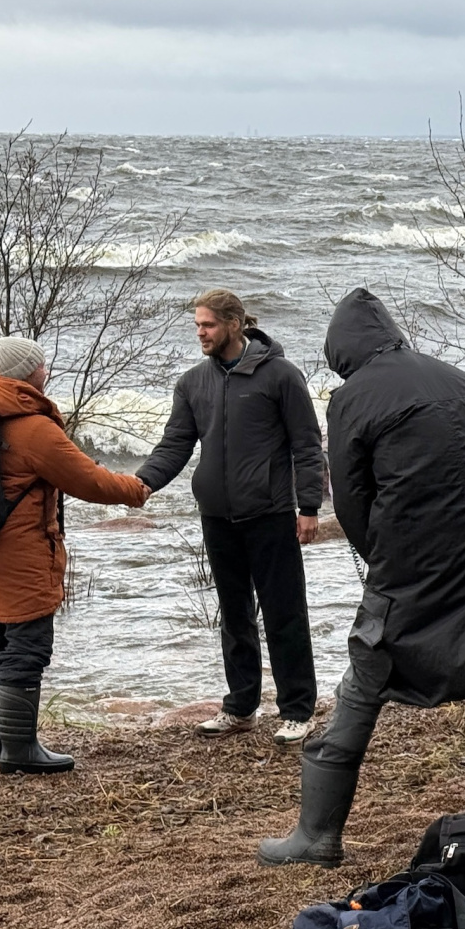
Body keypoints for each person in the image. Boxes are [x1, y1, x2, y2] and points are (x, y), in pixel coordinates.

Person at [258, 288, 465, 866]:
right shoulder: (459, 378)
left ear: (341, 351)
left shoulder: (353, 398)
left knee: (366, 675)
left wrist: (381, 564)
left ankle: (317, 835)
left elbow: (352, 498)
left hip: (418, 561)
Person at [137, 290, 325, 745]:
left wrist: (310, 507)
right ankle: (241, 707)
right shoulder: (192, 383)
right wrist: (140, 484)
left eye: (208, 325)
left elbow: (307, 443)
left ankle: (298, 710)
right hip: (217, 516)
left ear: (235, 324)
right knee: (234, 614)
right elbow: (176, 444)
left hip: (270, 513)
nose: (200, 333)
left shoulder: (280, 375)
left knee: (284, 614)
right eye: (197, 325)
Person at [0, 337, 152, 774]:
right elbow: (89, 481)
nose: (46, 372)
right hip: (22, 552)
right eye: (41, 366)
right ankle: (19, 749)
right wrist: (136, 491)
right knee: (27, 644)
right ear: (27, 373)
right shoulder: (32, 428)